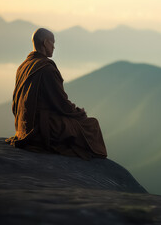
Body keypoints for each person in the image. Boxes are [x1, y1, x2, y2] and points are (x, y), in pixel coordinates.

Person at [6, 28, 107, 160]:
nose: (54, 47)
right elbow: (61, 104)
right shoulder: (46, 69)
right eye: (53, 43)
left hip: (23, 127)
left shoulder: (24, 66)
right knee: (91, 124)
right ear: (46, 43)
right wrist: (78, 112)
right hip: (39, 129)